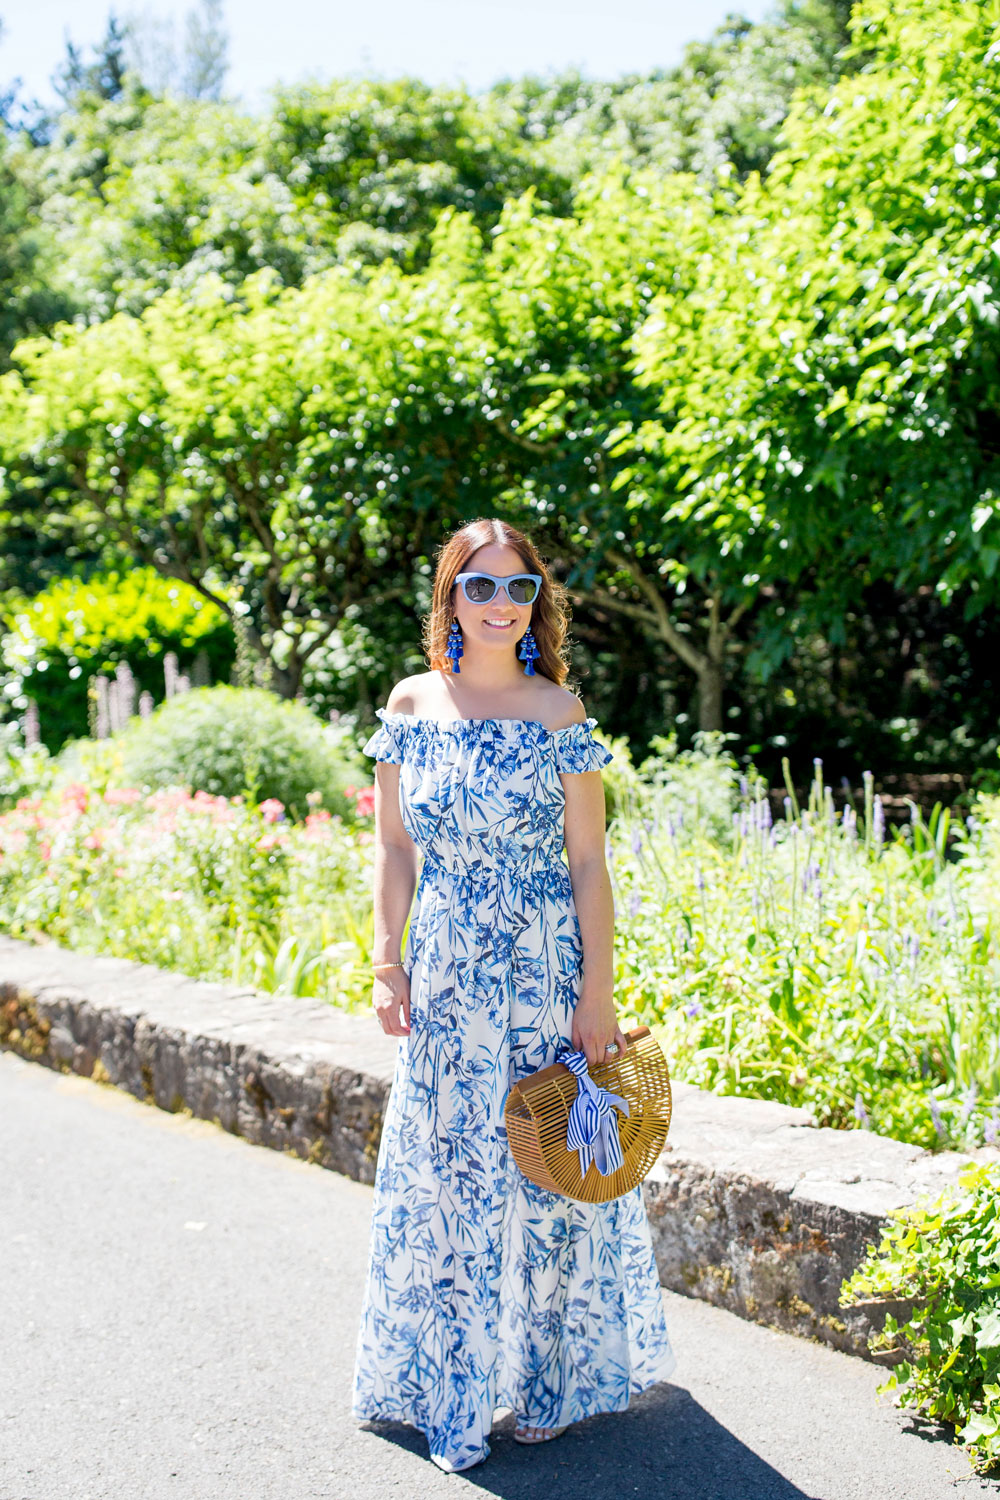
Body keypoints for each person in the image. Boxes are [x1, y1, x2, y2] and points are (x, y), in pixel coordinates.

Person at [351, 517, 675, 1472]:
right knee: (448, 1172)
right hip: (447, 974)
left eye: (519, 590)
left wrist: (597, 995)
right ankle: (442, 1377)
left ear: (539, 605)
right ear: (449, 597)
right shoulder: (409, 706)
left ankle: (550, 1380)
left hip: (541, 967)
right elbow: (395, 848)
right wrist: (386, 960)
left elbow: (587, 864)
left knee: (546, 1162)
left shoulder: (557, 713)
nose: (500, 605)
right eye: (480, 587)